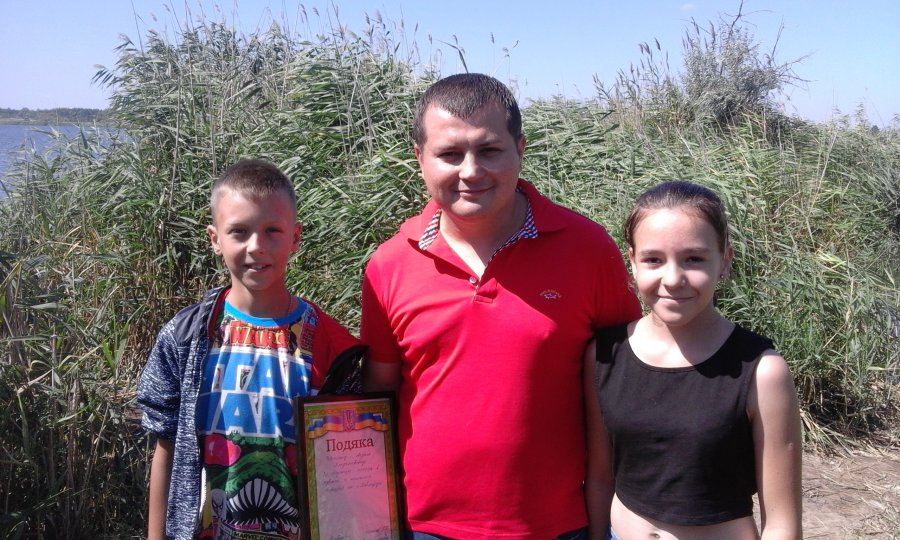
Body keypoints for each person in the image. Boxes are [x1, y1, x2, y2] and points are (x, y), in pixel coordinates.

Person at [361, 73, 641, 539]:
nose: (471, 171)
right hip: (424, 527)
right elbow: (379, 397)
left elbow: (627, 381)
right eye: (450, 154)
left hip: (557, 526)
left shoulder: (588, 249)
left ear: (520, 149)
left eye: (489, 150)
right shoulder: (388, 265)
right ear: (420, 158)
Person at [138, 159, 365, 540]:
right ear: (215, 239)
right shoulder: (185, 337)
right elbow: (166, 446)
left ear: (295, 237)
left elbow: (350, 465)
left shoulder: (330, 343)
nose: (256, 247)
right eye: (239, 232)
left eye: (272, 231)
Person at [584, 180, 802, 539]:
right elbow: (599, 477)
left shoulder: (762, 371)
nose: (673, 279)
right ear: (632, 262)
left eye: (694, 259)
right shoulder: (604, 355)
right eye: (653, 260)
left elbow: (782, 524)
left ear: (724, 262)